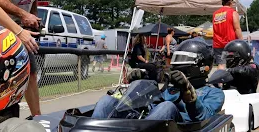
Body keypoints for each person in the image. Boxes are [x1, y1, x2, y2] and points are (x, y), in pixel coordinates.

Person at [92, 40, 224, 122]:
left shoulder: (214, 93)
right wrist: (139, 83)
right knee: (106, 101)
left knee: (167, 106)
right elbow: (152, 103)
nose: (178, 64)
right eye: (177, 59)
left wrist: (188, 92)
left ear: (202, 66)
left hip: (178, 130)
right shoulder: (171, 88)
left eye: (183, 59)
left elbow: (203, 117)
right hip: (148, 122)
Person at [0, 0, 42, 118]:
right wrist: (23, 14)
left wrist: (34, 19)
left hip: (21, 30)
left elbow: (33, 5)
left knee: (31, 74)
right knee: (0, 77)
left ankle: (38, 117)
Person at [212, 0, 243, 70]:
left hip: (218, 44)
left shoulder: (215, 14)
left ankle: (220, 80)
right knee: (234, 64)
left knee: (221, 64)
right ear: (230, 2)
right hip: (230, 44)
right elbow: (237, 29)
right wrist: (242, 42)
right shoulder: (233, 12)